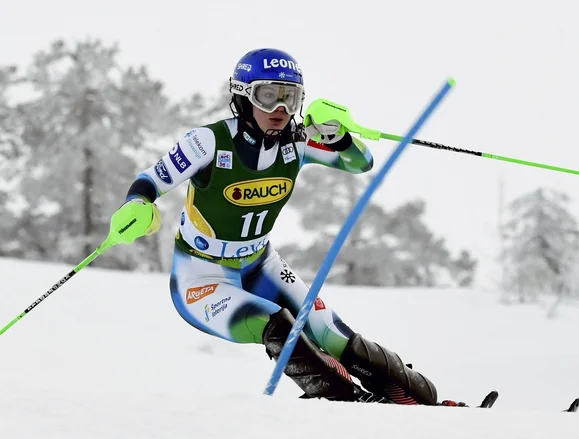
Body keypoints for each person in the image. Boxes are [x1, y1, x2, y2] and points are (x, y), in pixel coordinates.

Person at [111, 48, 440, 405]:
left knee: (330, 333)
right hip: (202, 277)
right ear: (243, 96)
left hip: (261, 263)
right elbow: (151, 180)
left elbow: (360, 162)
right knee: (277, 325)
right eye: (268, 96)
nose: (280, 110)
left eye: (290, 97)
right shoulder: (208, 141)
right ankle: (349, 405)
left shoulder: (298, 143)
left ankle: (424, 399)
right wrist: (137, 204)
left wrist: (339, 136)